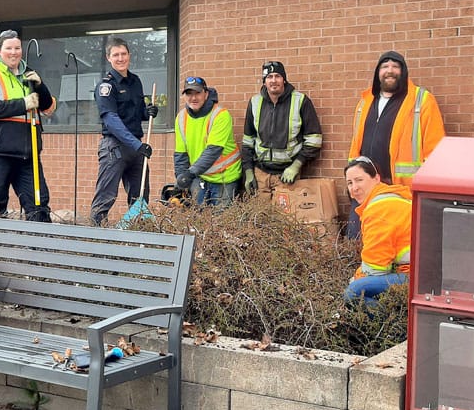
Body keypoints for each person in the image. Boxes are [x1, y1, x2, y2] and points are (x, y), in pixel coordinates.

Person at [347, 50, 444, 236]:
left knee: (393, 245)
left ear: (403, 71)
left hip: (400, 189)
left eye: (395, 66)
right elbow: (356, 143)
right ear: (378, 73)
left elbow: (435, 150)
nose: (389, 70)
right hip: (364, 187)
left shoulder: (421, 100)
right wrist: (351, 179)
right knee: (358, 241)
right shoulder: (365, 102)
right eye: (385, 66)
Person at [0, 29, 56, 222]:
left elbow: (49, 108)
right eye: (9, 48)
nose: (14, 52)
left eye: (17, 48)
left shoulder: (28, 75)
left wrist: (41, 86)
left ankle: (40, 249)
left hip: (27, 153)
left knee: (39, 205)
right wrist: (23, 104)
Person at [89, 37, 158, 226]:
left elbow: (137, 113)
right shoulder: (106, 86)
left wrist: (148, 112)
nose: (120, 58)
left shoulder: (136, 81)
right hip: (115, 147)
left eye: (123, 54)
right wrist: (137, 145)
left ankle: (136, 238)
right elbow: (111, 120)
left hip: (136, 147)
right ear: (108, 58)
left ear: (129, 55)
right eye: (116, 55)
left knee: (140, 198)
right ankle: (94, 239)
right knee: (106, 196)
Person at [242, 60, 323, 196]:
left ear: (284, 79)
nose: (273, 81)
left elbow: (314, 140)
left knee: (285, 217)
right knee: (260, 216)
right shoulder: (254, 102)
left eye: (277, 76)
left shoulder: (301, 101)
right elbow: (247, 142)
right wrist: (249, 172)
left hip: (287, 175)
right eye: (269, 77)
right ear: (264, 81)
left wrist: (296, 166)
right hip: (260, 174)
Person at [343, 156, 412, 306]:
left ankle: (394, 326)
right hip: (420, 273)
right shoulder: (392, 197)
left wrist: (355, 279)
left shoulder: (379, 210)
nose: (354, 188)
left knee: (353, 292)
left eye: (359, 180)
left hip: (413, 277)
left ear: (376, 178)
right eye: (350, 183)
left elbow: (376, 268)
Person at [174, 76, 241, 207]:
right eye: (189, 93)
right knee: (198, 220)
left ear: (206, 94)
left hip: (224, 177)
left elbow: (213, 150)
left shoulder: (221, 115)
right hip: (200, 176)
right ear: (184, 96)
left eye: (197, 93)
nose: (193, 98)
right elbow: (180, 154)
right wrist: (181, 179)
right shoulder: (181, 118)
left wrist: (189, 174)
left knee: (221, 221)